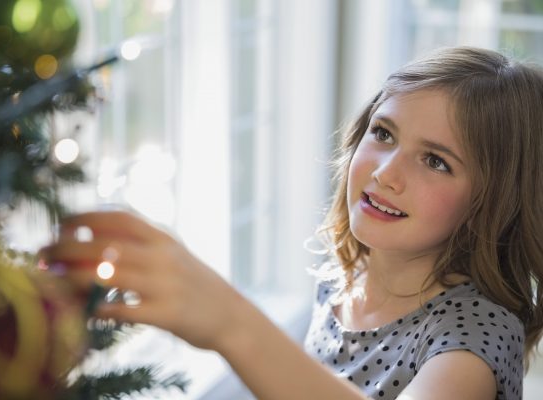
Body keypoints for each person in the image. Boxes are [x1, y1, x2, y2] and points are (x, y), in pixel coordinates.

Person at [40, 46, 543, 400]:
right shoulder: (347, 278)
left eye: (435, 161)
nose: (386, 173)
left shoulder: (475, 335)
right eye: (384, 133)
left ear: (494, 201)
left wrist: (231, 322)